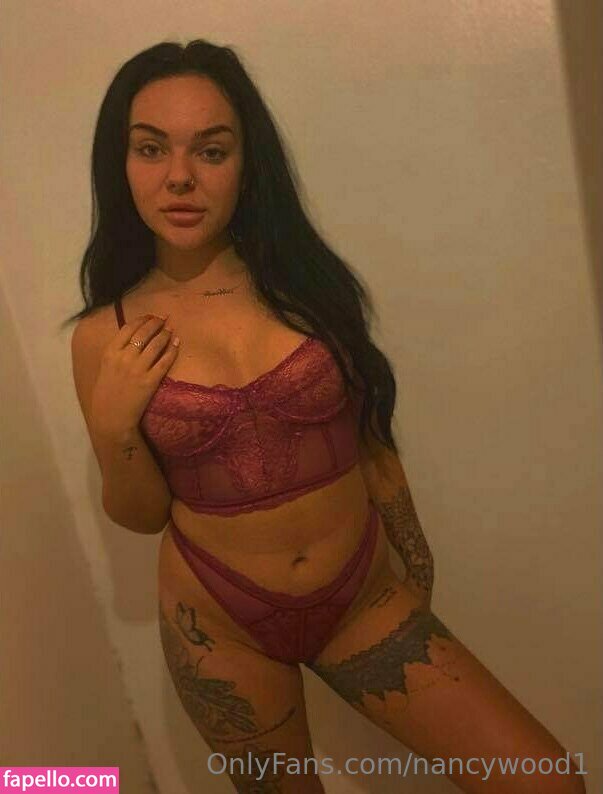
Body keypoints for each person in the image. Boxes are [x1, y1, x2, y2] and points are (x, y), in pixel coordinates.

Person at [67, 40, 586, 793]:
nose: (179, 176)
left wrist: (414, 554)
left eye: (210, 150)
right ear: (120, 163)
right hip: (220, 628)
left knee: (544, 781)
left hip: (360, 597)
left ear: (247, 163)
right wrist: (115, 427)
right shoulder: (103, 335)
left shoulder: (305, 283)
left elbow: (370, 433)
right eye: (151, 149)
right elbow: (142, 515)